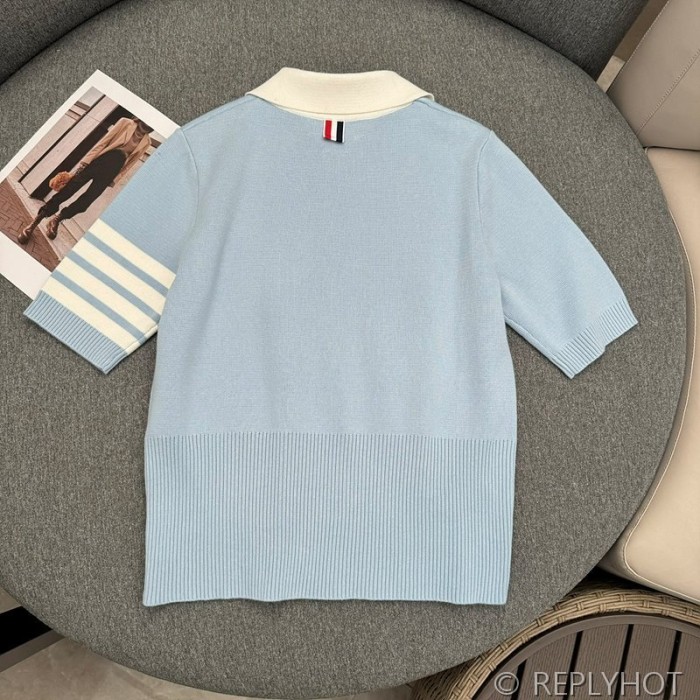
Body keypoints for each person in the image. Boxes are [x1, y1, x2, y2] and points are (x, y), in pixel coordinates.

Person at [18, 116, 154, 244]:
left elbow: (130, 163)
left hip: (112, 171)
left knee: (86, 202)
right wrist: (85, 161)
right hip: (100, 160)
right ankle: (35, 222)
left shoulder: (147, 141)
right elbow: (104, 142)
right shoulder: (125, 122)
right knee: (67, 191)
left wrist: (115, 179)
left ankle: (58, 219)